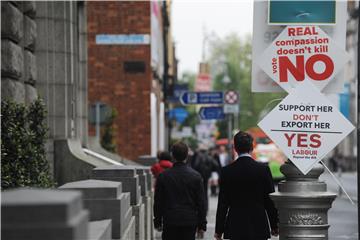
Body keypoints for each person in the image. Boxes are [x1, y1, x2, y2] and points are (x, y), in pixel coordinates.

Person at [214, 131, 279, 240]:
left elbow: (223, 204)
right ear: (252, 147)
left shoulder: (227, 171)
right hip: (259, 225)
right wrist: (274, 225)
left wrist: (219, 230)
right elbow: (269, 201)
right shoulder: (263, 170)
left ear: (235, 148)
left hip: (235, 226)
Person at [154, 141, 207, 240]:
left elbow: (158, 201)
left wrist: (157, 221)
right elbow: (201, 202)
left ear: (172, 156)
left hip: (170, 220)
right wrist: (202, 225)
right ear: (187, 156)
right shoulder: (196, 176)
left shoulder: (163, 176)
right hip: (189, 221)